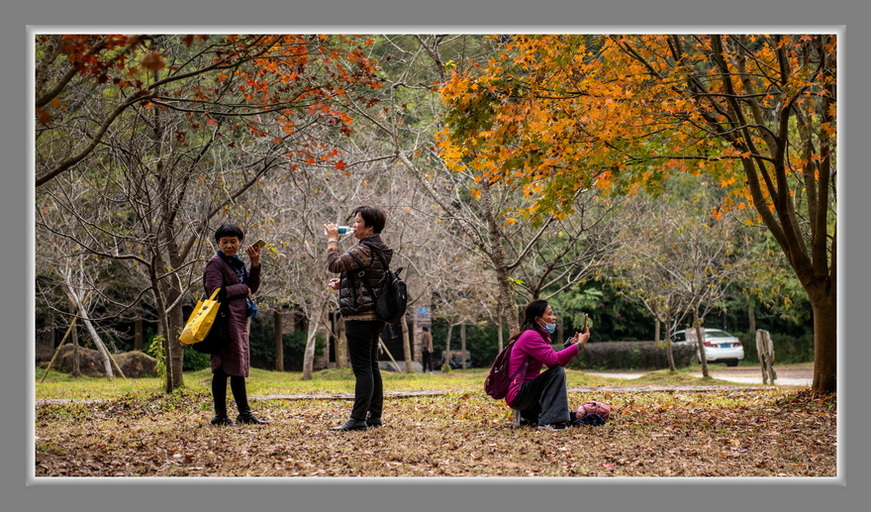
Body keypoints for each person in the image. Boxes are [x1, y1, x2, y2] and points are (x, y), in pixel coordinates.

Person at [325, 206, 393, 431]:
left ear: (370, 227)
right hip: (374, 315)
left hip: (361, 316)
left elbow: (334, 265)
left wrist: (332, 241)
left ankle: (357, 419)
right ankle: (374, 417)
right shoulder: (379, 248)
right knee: (371, 367)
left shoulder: (364, 249)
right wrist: (343, 284)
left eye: (357, 221)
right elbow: (369, 279)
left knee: (363, 368)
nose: (354, 225)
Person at [203, 223, 267, 426]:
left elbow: (252, 288)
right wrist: (242, 288)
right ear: (218, 243)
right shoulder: (216, 264)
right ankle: (220, 415)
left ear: (240, 242)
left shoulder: (237, 263)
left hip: (238, 321)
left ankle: (244, 413)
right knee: (221, 368)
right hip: (223, 322)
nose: (229, 245)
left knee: (238, 366)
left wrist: (255, 264)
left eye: (233, 241)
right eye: (225, 242)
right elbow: (216, 293)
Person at [505, 300, 590, 431]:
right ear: (538, 319)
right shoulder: (530, 336)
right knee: (557, 371)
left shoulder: (535, 335)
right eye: (549, 314)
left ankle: (526, 416)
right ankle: (551, 422)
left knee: (557, 371)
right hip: (519, 394)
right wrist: (579, 345)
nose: (553, 317)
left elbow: (554, 363)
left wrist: (570, 347)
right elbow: (555, 363)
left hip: (526, 393)